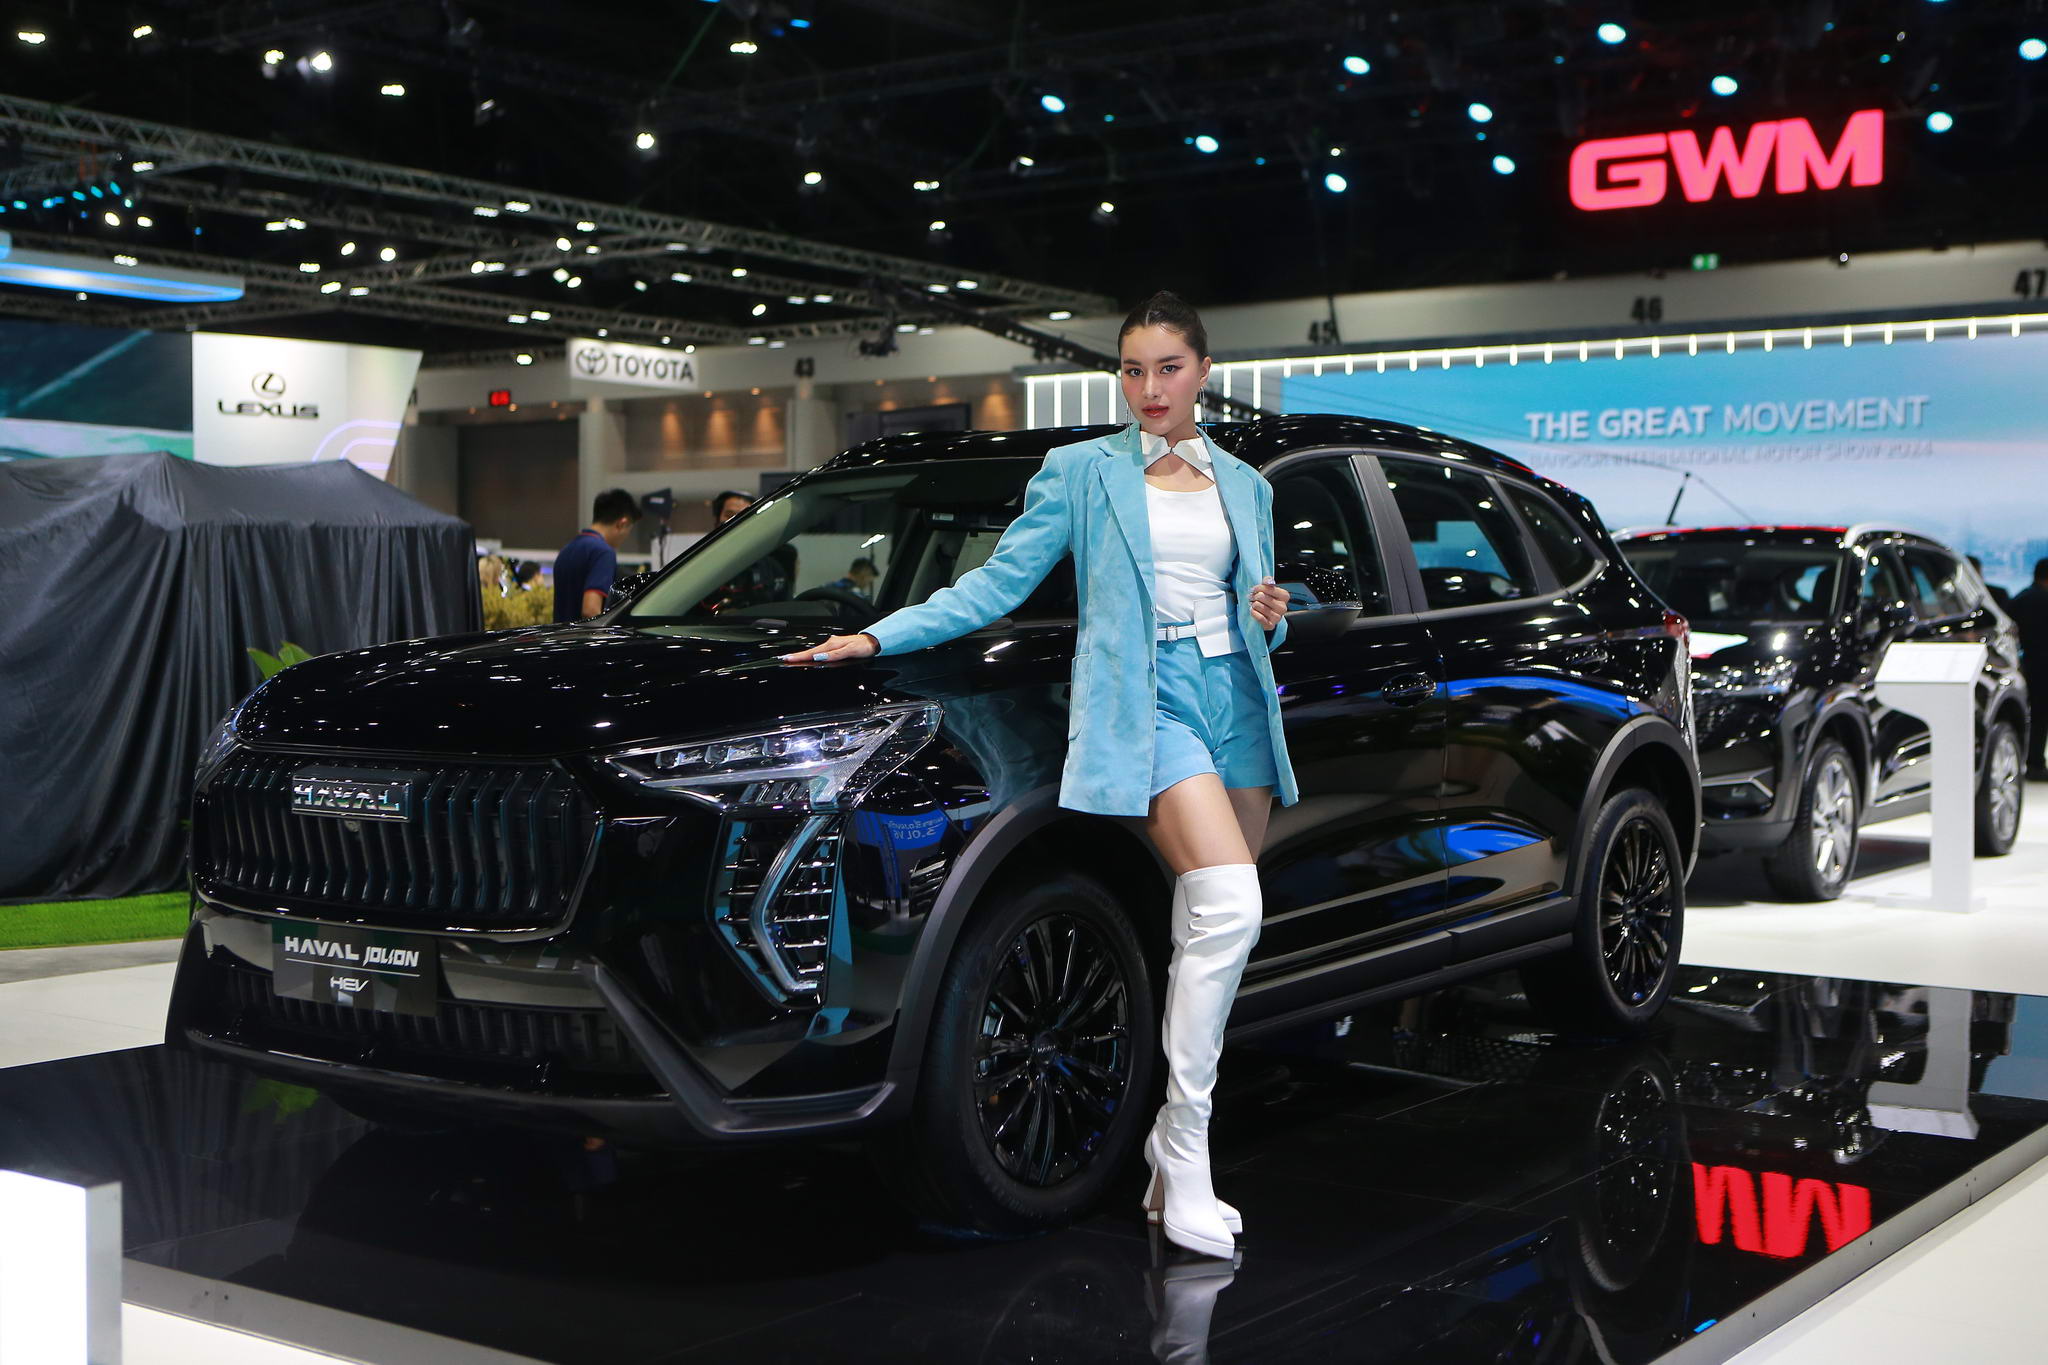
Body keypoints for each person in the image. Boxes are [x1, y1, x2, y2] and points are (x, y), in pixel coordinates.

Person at [778, 290, 1297, 1261]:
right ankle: (1184, 1146)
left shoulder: (1245, 484)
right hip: (1148, 701)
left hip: (1237, 700)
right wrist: (876, 635)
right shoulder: (1081, 471)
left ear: (1202, 371)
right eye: (1133, 369)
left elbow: (1255, 603)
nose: (1149, 388)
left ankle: (1167, 1152)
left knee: (1208, 930)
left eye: (1167, 368)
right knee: (1230, 904)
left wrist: (1270, 612)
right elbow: (995, 582)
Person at [552, 488, 640, 622]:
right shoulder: (603, 553)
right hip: (585, 635)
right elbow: (590, 610)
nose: (626, 537)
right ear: (621, 524)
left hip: (563, 633)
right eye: (629, 530)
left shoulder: (567, 550)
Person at [2009, 557, 2048, 780]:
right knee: (2041, 717)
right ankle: (2035, 763)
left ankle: (2024, 760)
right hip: (2043, 665)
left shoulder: (2020, 598)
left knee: (2030, 714)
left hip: (2025, 664)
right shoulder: (2044, 599)